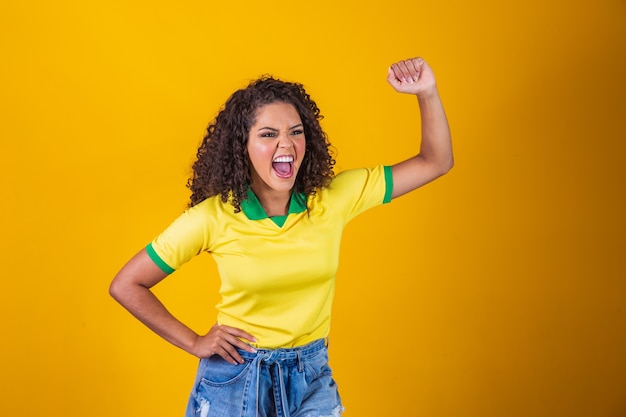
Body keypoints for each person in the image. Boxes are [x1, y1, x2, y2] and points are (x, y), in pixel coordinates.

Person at [109, 56, 453, 417]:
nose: (285, 144)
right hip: (237, 377)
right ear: (242, 145)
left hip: (312, 373)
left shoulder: (333, 198)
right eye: (268, 134)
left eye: (295, 131)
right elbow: (127, 284)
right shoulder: (213, 217)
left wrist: (426, 91)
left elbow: (436, 161)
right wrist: (195, 341)